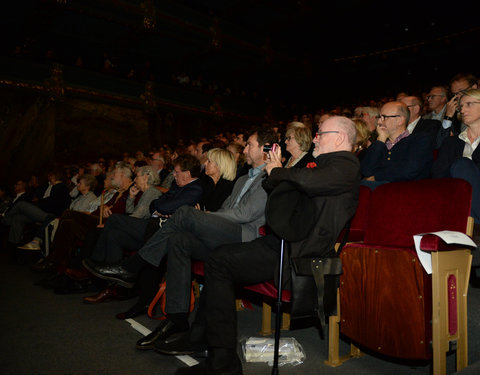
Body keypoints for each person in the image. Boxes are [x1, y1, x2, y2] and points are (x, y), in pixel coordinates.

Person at [155, 116, 361, 375]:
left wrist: (277, 172)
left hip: (299, 254)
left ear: (340, 138)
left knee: (219, 262)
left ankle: (221, 362)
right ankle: (206, 345)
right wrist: (275, 173)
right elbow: (280, 200)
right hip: (280, 243)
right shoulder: (322, 166)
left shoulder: (346, 165)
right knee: (218, 259)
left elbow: (302, 184)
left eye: (320, 133)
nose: (315, 138)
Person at [84, 127, 277, 349]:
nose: (245, 149)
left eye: (249, 144)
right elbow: (227, 207)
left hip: (244, 236)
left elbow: (244, 215)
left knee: (185, 213)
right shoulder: (244, 179)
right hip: (225, 230)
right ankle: (176, 318)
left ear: (265, 149)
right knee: (179, 240)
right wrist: (209, 218)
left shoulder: (269, 176)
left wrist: (207, 217)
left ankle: (133, 266)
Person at [360, 101, 434, 189]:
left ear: (400, 120)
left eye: (384, 117)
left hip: (409, 192)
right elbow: (366, 171)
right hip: (380, 192)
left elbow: (409, 170)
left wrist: (376, 177)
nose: (379, 122)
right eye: (379, 117)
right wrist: (380, 140)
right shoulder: (379, 144)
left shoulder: (420, 139)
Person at [432, 89, 480, 223]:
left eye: (469, 104)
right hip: (454, 196)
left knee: (463, 165)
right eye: (461, 106)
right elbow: (438, 175)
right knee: (462, 166)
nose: (463, 110)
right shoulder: (451, 142)